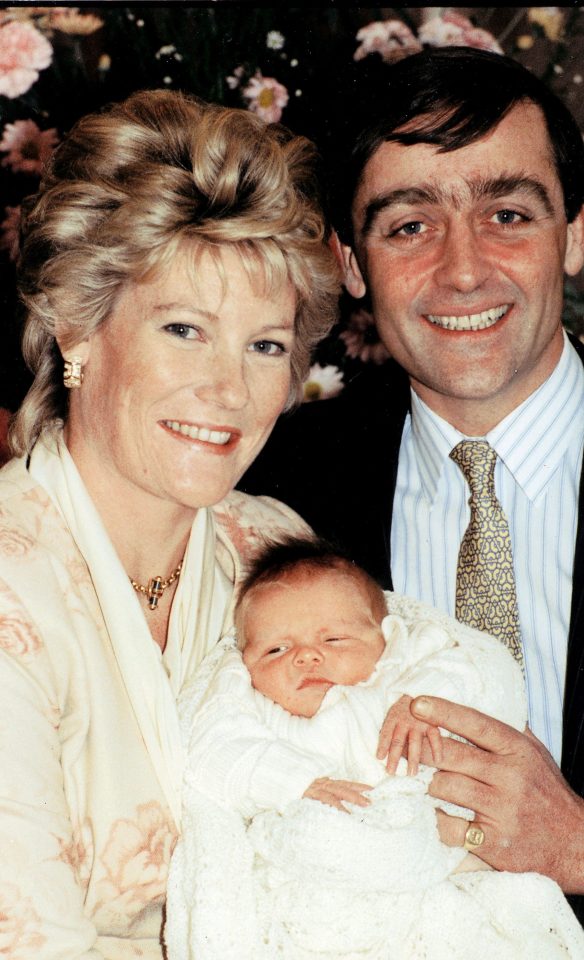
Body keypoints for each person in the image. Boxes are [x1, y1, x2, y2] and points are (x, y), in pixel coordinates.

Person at [240, 46, 584, 919]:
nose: (464, 270)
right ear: (351, 263)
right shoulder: (270, 489)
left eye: (508, 213)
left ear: (575, 235)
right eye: (409, 226)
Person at [0, 89, 340, 958]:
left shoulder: (271, 545)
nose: (229, 391)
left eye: (265, 346)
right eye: (185, 328)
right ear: (76, 324)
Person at [165, 536, 584, 959]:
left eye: (334, 641)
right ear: (244, 661)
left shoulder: (400, 672)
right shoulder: (257, 709)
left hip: (438, 866)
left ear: (386, 638)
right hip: (320, 887)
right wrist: (296, 782)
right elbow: (215, 749)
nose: (306, 657)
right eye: (277, 649)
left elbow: (474, 666)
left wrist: (423, 703)